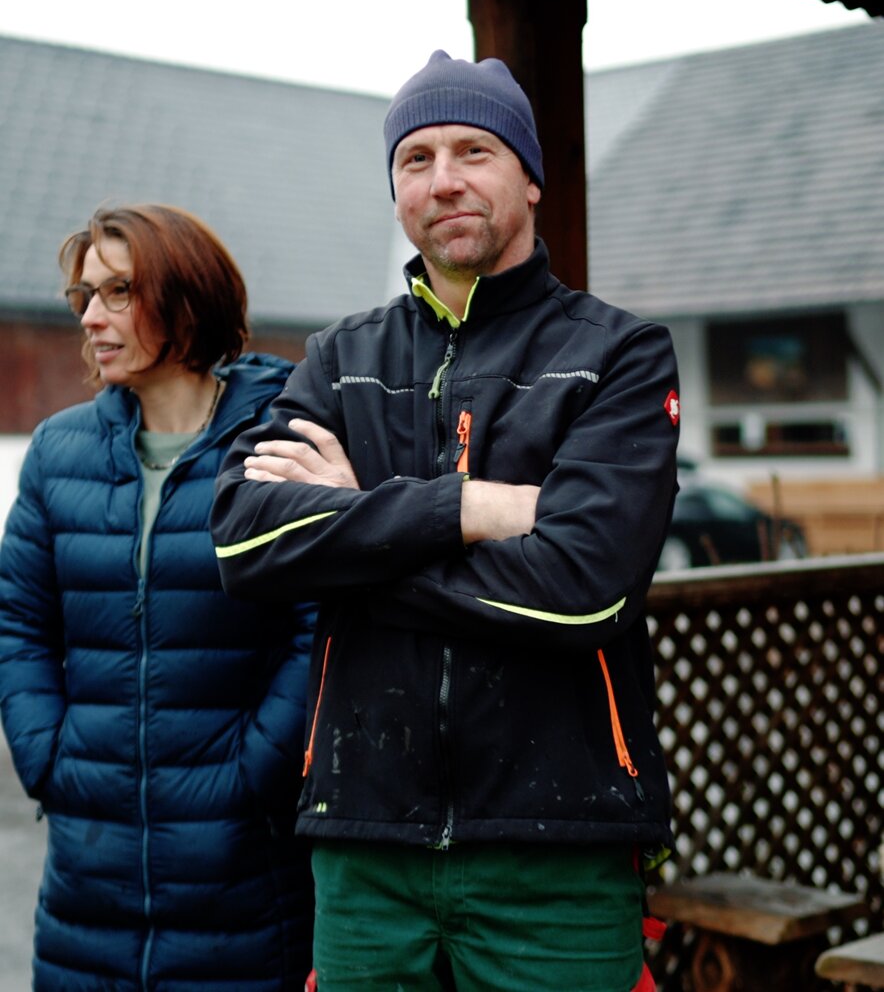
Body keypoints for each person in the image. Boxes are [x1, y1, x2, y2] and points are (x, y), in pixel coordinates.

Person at [211, 51, 680, 992]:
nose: (444, 179)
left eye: (475, 149)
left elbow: (582, 593)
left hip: (557, 850)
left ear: (531, 177)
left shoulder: (618, 356)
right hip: (364, 846)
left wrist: (350, 530)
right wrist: (468, 508)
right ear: (395, 193)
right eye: (415, 158)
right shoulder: (340, 357)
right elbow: (242, 539)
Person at [0, 204, 315, 991]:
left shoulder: (278, 442)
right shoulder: (57, 453)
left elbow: (320, 622)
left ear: (185, 297)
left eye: (117, 293)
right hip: (87, 881)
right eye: (84, 299)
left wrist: (253, 775)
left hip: (242, 881)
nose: (91, 319)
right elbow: (20, 622)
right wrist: (49, 755)